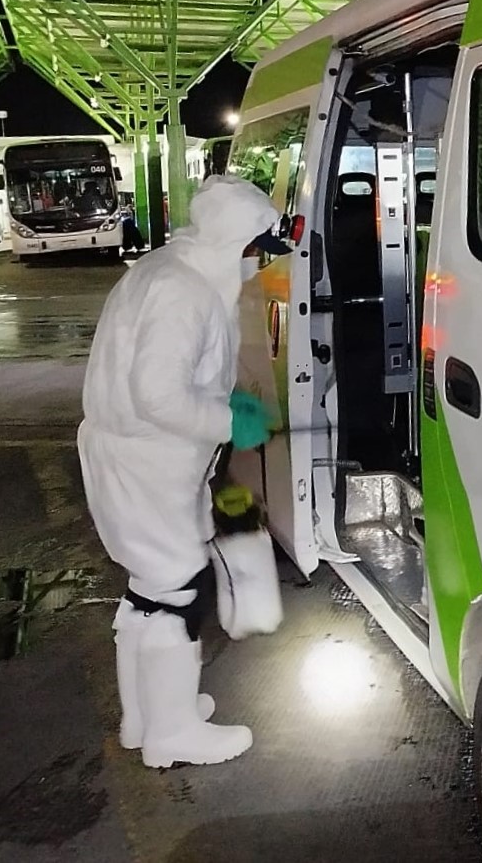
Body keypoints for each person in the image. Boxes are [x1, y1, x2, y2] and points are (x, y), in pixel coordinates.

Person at [78, 174, 290, 769]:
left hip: (134, 455)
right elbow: (159, 395)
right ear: (234, 243)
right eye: (256, 250)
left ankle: (145, 715)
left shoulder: (166, 269)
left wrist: (226, 407)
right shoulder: (185, 292)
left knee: (150, 586)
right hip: (148, 460)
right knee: (177, 586)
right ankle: (171, 733)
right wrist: (230, 422)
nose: (258, 264)